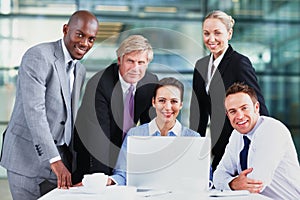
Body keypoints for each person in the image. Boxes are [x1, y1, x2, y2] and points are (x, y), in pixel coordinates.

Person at [0, 10, 99, 200]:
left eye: (91, 39)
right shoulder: (38, 56)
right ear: (65, 29)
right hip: (27, 158)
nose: (85, 43)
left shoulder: (80, 70)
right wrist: (54, 160)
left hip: (62, 161)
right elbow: (34, 111)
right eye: (80, 34)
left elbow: (68, 116)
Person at [72, 35, 158, 184]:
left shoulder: (150, 83)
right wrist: (101, 180)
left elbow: (148, 129)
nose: (135, 68)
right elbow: (99, 138)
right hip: (91, 155)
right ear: (119, 60)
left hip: (123, 155)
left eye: (141, 62)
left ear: (147, 63)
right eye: (130, 61)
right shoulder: (99, 84)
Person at [189, 10, 269, 172]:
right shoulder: (201, 66)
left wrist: (263, 144)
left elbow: (257, 104)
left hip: (240, 145)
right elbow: (198, 113)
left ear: (229, 33)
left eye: (217, 33)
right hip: (217, 146)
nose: (211, 39)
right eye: (206, 33)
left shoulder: (239, 63)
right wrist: (193, 148)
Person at [213, 82, 300, 199]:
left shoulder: (272, 130)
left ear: (256, 108)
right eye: (233, 111)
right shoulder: (237, 135)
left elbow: (255, 184)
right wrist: (232, 183)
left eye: (244, 108)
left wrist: (229, 183)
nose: (239, 116)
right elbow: (218, 176)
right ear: (228, 115)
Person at [107, 77, 200, 185]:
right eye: (162, 100)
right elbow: (122, 174)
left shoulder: (193, 138)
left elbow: (205, 177)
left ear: (180, 105)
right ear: (153, 102)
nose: (168, 107)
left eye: (174, 101)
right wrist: (109, 181)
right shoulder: (135, 135)